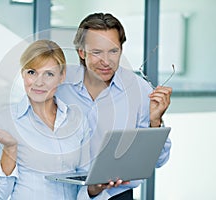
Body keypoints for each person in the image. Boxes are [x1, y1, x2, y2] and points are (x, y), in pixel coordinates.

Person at [55, 13, 173, 199]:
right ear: (81, 52)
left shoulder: (139, 89)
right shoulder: (58, 85)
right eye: (97, 52)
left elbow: (159, 161)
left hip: (116, 195)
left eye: (113, 51)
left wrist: (155, 122)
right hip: (62, 193)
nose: (106, 61)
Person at [0, 40, 92, 199]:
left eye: (49, 74)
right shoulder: (5, 121)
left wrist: (96, 189)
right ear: (23, 74)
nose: (39, 82)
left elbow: (85, 180)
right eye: (32, 72)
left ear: (62, 76)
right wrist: (10, 148)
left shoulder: (77, 119)